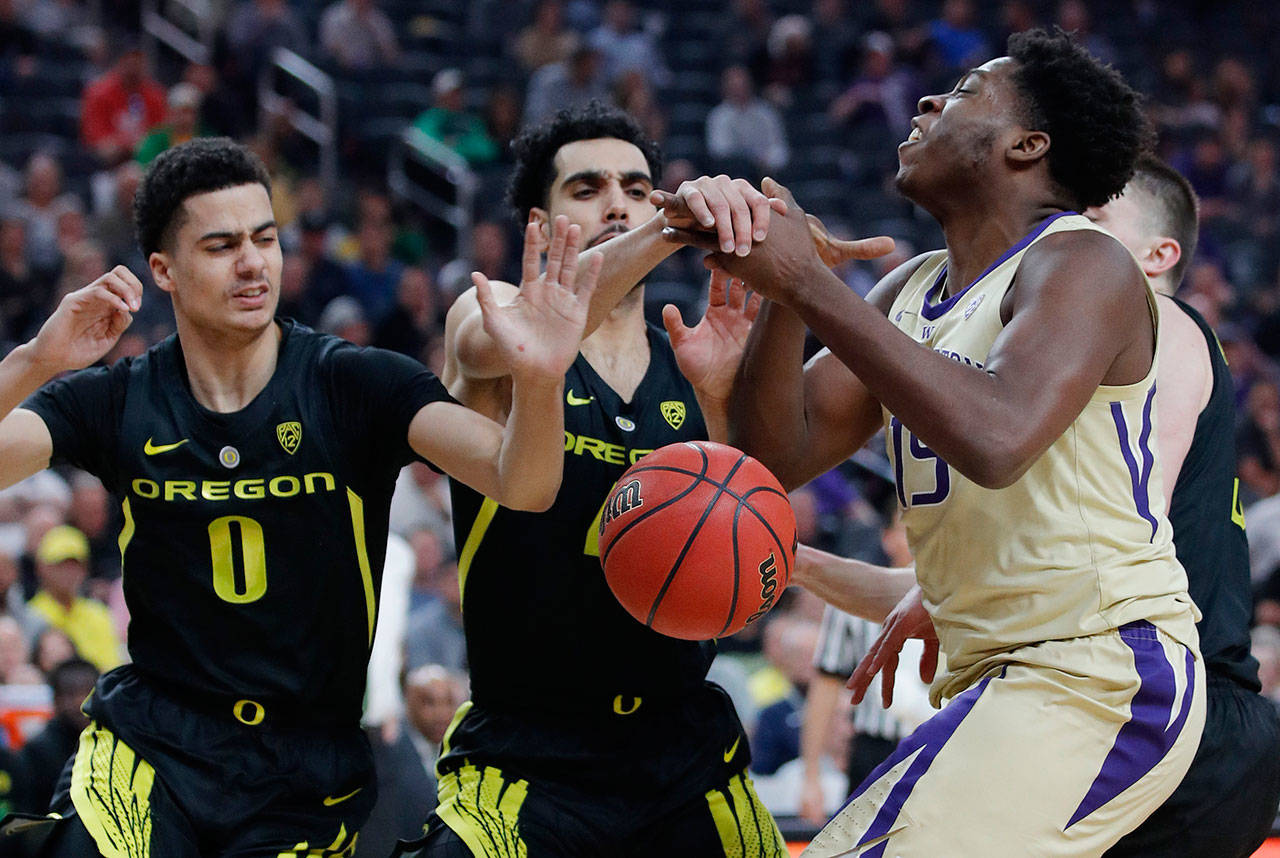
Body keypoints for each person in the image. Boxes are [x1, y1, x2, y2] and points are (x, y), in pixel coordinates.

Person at [667, 29, 1205, 856]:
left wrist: (812, 283)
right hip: (996, 679)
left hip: (1102, 669)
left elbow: (997, 437)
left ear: (1028, 145)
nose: (927, 102)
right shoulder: (909, 288)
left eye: (962, 93)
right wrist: (787, 293)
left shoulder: (1084, 263)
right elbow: (776, 461)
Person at [0, 136, 600, 857]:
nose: (253, 263)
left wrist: (541, 379)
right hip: (155, 744)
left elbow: (524, 484)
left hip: (306, 763)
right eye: (222, 245)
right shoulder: (118, 398)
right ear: (164, 269)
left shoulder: (352, 383)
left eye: (265, 239)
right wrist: (36, 360)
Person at [826, 155, 1280, 858]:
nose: (1063, 234)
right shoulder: (1078, 363)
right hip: (1161, 711)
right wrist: (790, 562)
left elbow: (1125, 519)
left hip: (1153, 706)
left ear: (1159, 256)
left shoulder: (1164, 322)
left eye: (1092, 220)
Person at [404, 102, 790, 857]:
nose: (618, 202)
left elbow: (734, 581)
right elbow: (490, 348)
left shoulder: (693, 359)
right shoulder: (487, 320)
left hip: (681, 746)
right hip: (527, 749)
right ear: (539, 226)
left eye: (640, 188)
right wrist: (674, 224)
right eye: (587, 189)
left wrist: (718, 401)